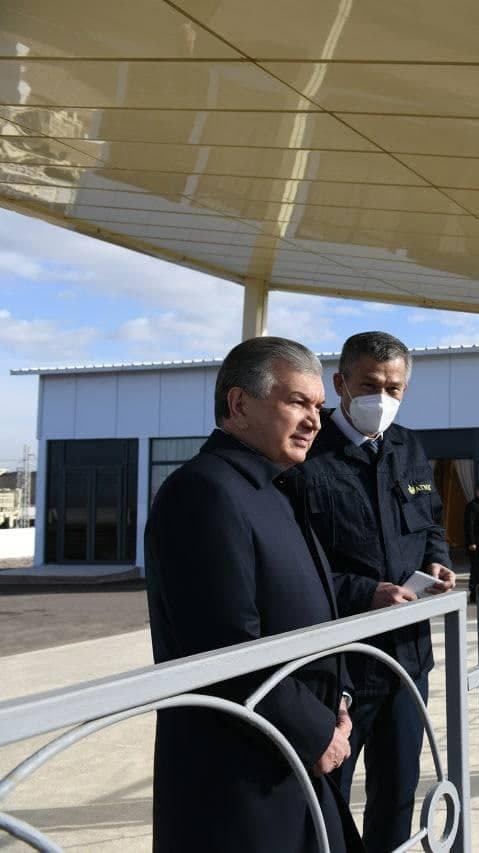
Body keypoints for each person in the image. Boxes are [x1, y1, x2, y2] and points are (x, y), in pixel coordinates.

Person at [145, 337, 361, 853]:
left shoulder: (275, 487)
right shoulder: (204, 492)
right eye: (298, 402)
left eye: (319, 407)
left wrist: (340, 699)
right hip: (241, 776)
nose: (314, 421)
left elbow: (313, 603)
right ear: (239, 404)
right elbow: (226, 647)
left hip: (293, 753)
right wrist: (317, 732)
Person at [300, 331, 456, 853]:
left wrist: (438, 560)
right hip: (340, 666)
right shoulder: (307, 454)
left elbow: (429, 522)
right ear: (340, 383)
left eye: (394, 388)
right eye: (369, 385)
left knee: (397, 793)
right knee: (328, 799)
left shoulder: (408, 446)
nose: (382, 398)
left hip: (408, 661)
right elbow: (297, 563)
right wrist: (364, 592)